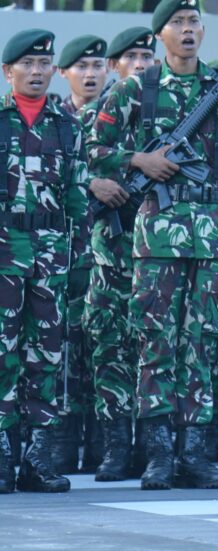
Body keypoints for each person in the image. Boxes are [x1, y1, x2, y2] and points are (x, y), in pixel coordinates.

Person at [88, 0, 218, 490]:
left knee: (202, 341)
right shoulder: (136, 89)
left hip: (211, 235)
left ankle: (195, 453)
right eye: (178, 21)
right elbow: (93, 148)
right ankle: (159, 453)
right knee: (158, 340)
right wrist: (139, 161)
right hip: (156, 234)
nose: (188, 29)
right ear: (160, 34)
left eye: (195, 21)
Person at [0, 29, 89, 494]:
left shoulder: (66, 123)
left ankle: (38, 458)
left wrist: (82, 259)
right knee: (2, 352)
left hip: (52, 254)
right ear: (7, 71)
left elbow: (78, 194)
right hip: (2, 252)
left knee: (47, 353)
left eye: (44, 64)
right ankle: (1, 454)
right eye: (27, 65)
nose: (37, 72)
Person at [86, 26, 157, 481]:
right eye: (131, 56)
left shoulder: (166, 110)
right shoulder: (94, 116)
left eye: (147, 56)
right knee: (111, 345)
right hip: (112, 249)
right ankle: (114, 447)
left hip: (156, 248)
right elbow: (71, 164)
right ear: (115, 66)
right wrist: (92, 181)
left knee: (154, 345)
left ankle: (155, 446)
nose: (141, 64)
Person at [53, 35, 111, 474]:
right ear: (65, 73)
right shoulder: (56, 120)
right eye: (82, 66)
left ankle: (102, 442)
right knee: (60, 346)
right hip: (61, 251)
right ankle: (61, 438)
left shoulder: (122, 117)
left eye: (97, 65)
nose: (91, 74)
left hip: (109, 250)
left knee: (104, 345)